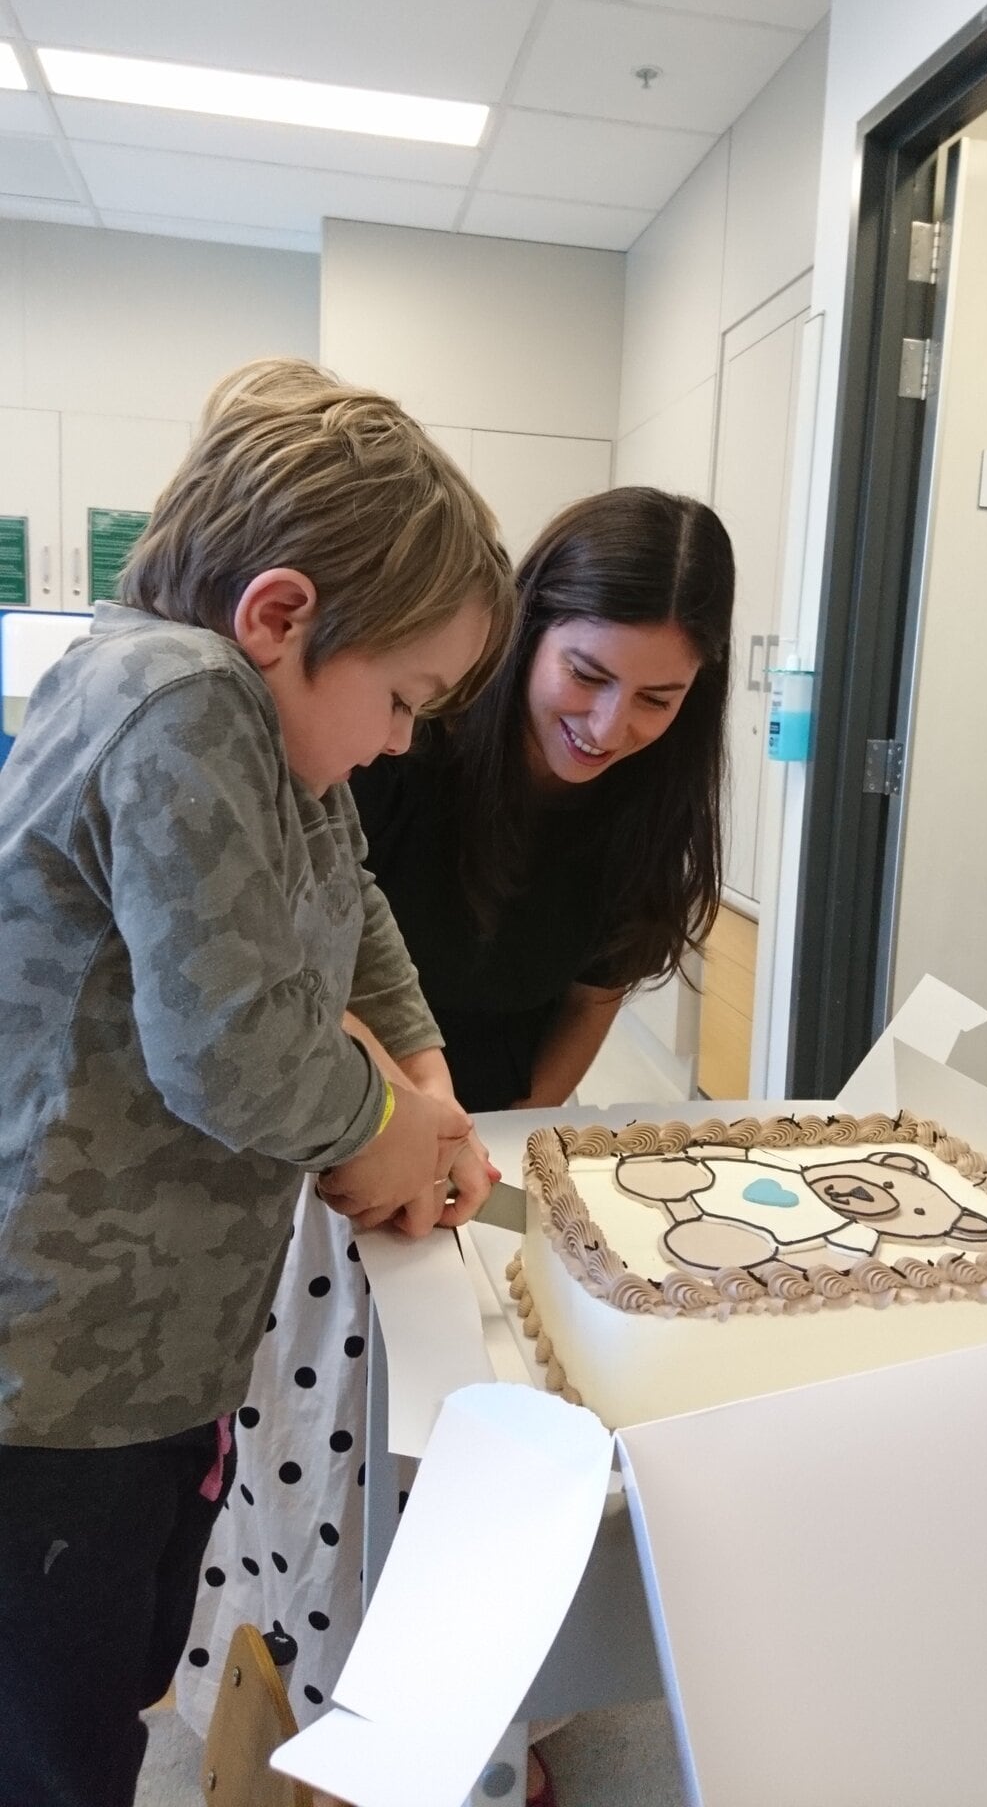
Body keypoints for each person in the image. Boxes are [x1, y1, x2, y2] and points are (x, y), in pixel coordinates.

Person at [0, 356, 514, 1807]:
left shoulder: (284, 746)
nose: (402, 739)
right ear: (280, 617)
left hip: (154, 1356)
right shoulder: (177, 693)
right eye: (404, 697)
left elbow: (360, 922)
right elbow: (228, 1051)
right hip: (49, 1372)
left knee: (121, 1670)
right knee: (59, 1731)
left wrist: (428, 1087)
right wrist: (386, 1134)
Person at [178, 486, 735, 1794]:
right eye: (586, 676)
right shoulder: (403, 746)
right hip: (338, 1130)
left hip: (474, 1144)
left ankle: (486, 1722)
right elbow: (303, 971)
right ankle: (339, 1710)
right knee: (346, 1456)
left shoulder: (644, 803)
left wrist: (502, 1139)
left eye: (657, 700)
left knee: (487, 1454)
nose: (610, 726)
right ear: (525, 632)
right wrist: (396, 1126)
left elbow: (596, 984)